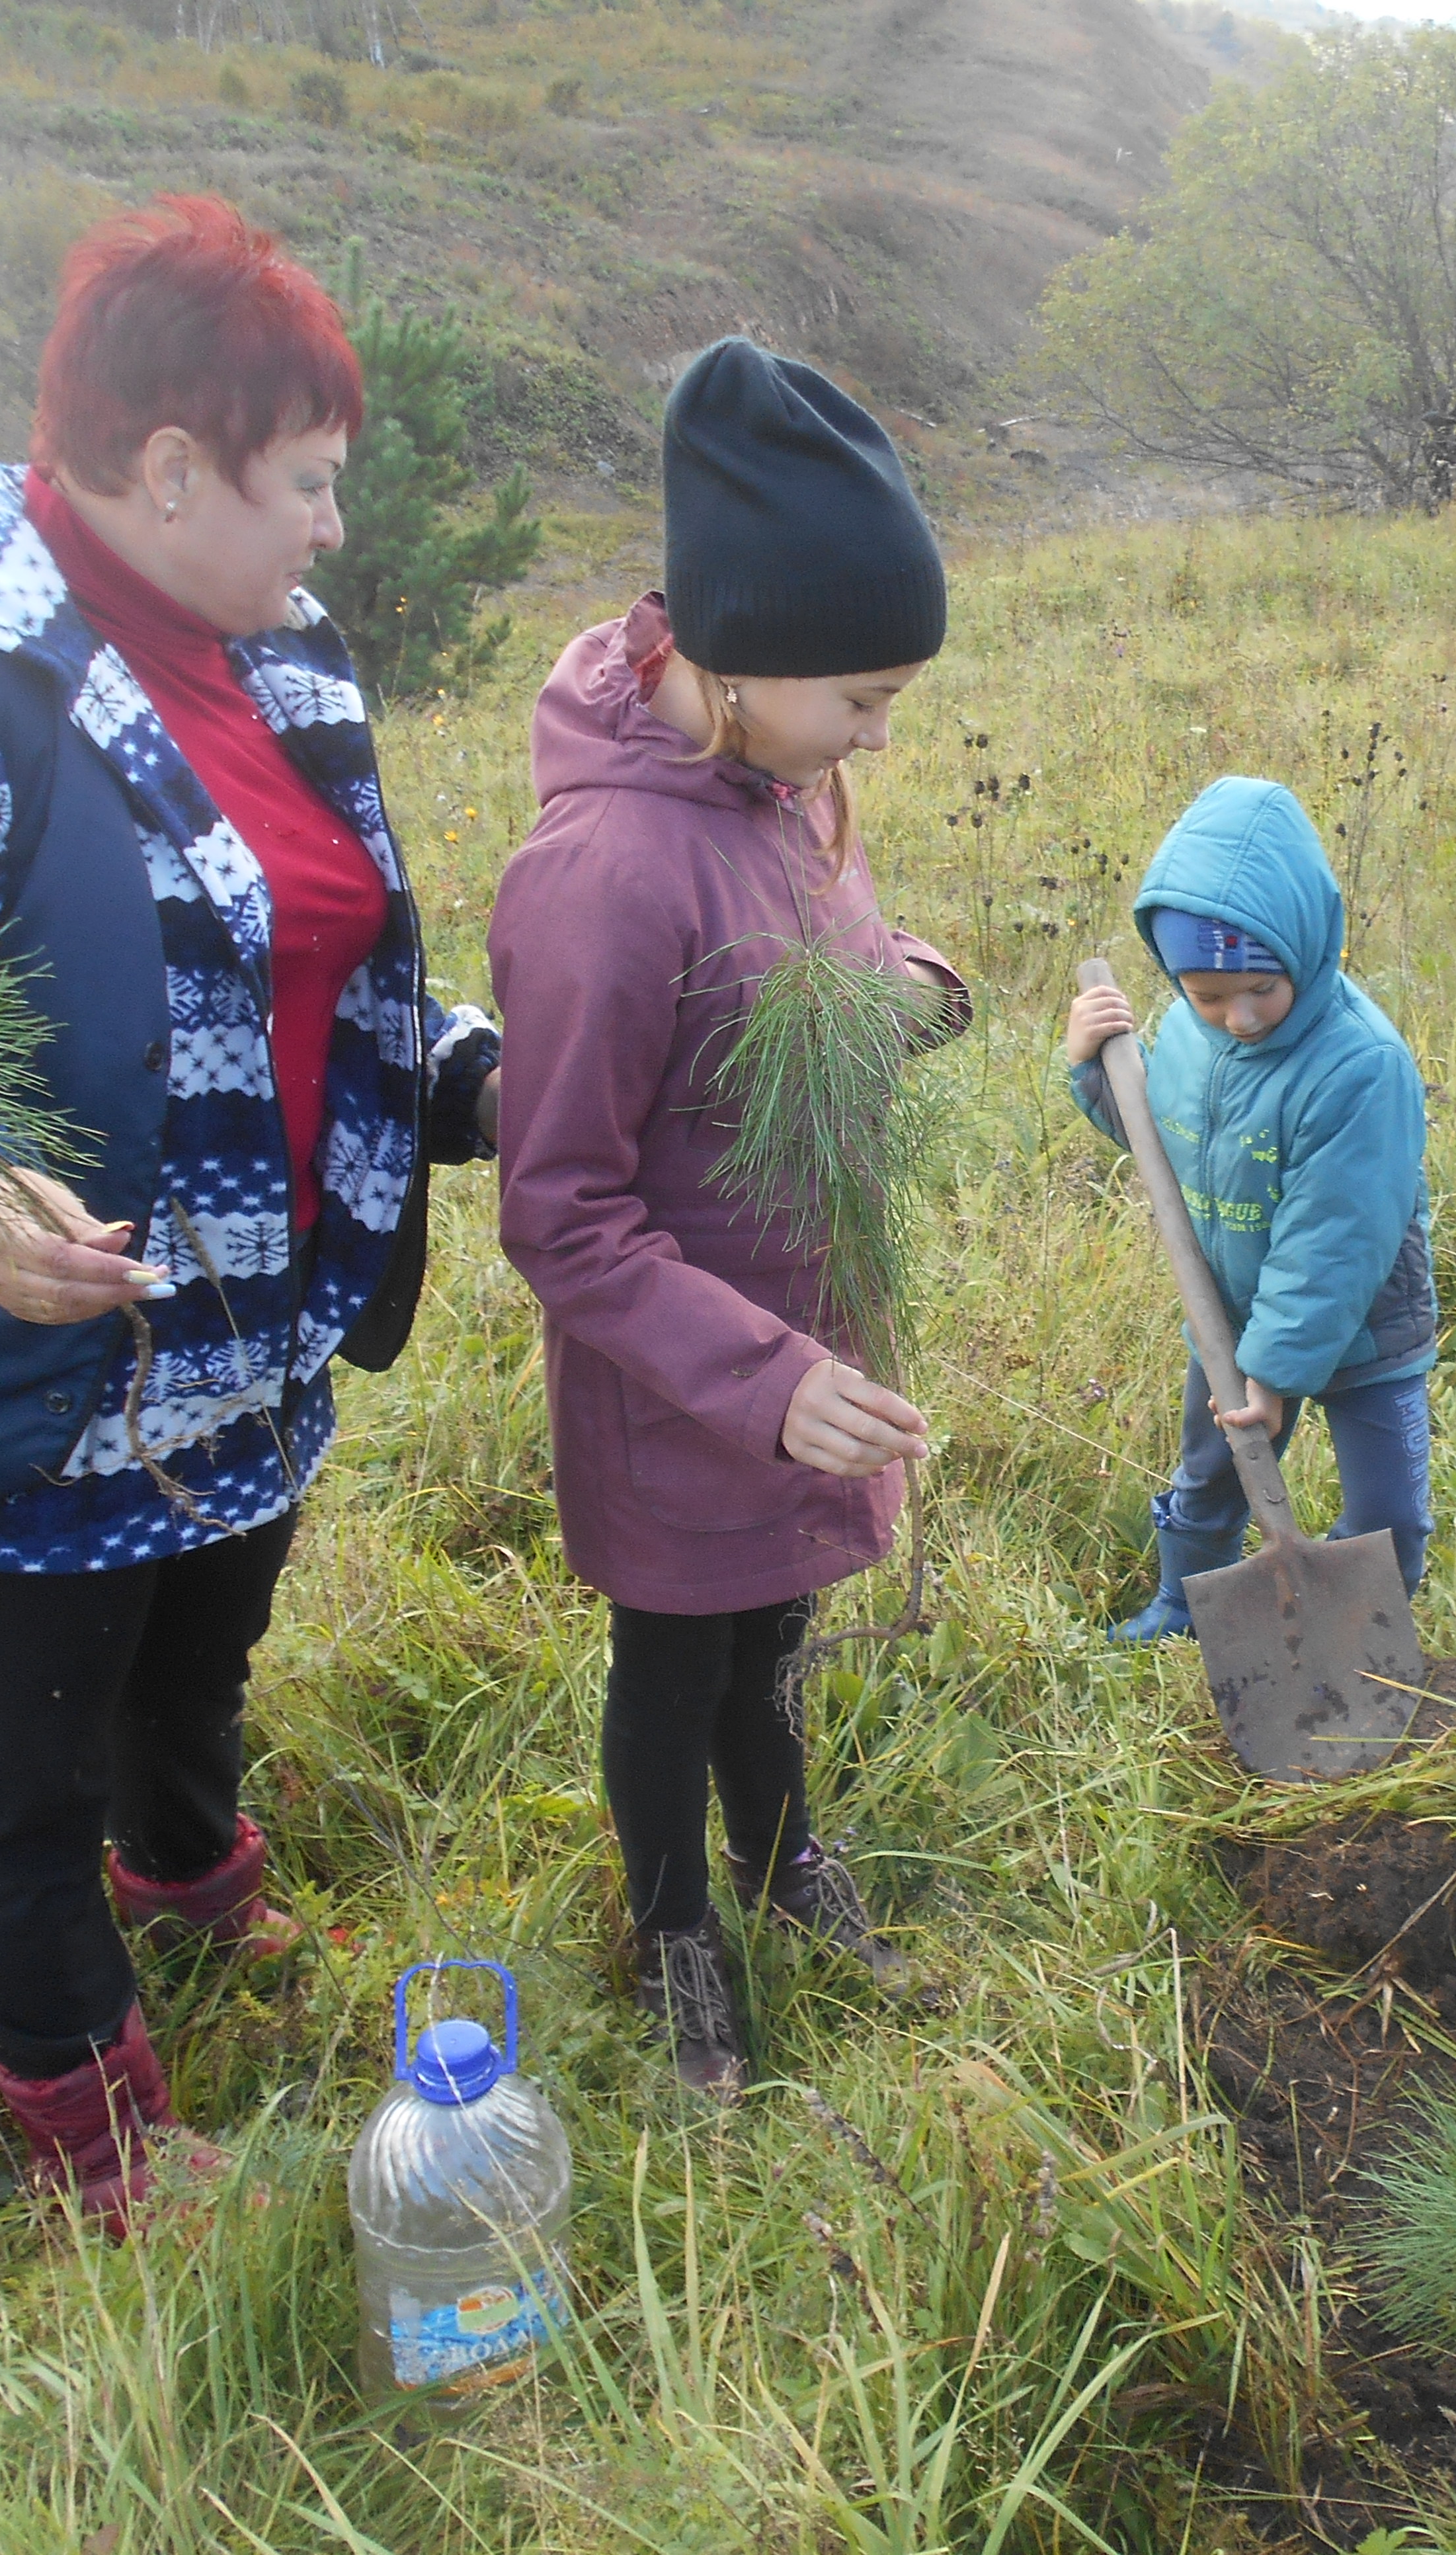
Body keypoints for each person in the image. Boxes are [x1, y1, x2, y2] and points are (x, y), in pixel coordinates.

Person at [0, 196, 502, 2237]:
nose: (330, 529)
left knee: (190, 1662)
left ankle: (194, 1876)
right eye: (305, 483)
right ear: (167, 469)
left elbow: (326, 955)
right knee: (14, 1771)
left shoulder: (275, 651)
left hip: (234, 1344)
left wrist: (470, 1071)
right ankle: (87, 2122)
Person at [491, 338, 970, 2106]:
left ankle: (784, 1857)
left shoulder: (785, 785)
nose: (878, 734)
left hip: (806, 1343)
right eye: (860, 696)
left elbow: (830, 941)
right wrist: (753, 1378)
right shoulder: (606, 875)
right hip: (687, 1375)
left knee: (779, 1631)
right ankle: (679, 1918)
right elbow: (560, 1212)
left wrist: (909, 983)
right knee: (678, 1655)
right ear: (734, 655)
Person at [1061, 778, 1436, 1643]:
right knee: (1212, 1475)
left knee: (1391, 1513)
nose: (1238, 1019)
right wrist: (1092, 1067)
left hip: (1363, 1323)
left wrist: (1272, 1370)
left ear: (1307, 952)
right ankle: (1183, 1608)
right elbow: (1166, 1147)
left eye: (1261, 991)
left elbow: (1333, 1243)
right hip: (1230, 1313)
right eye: (1207, 995)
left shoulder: (1361, 1068)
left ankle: (1352, 1639)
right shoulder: (1195, 1034)